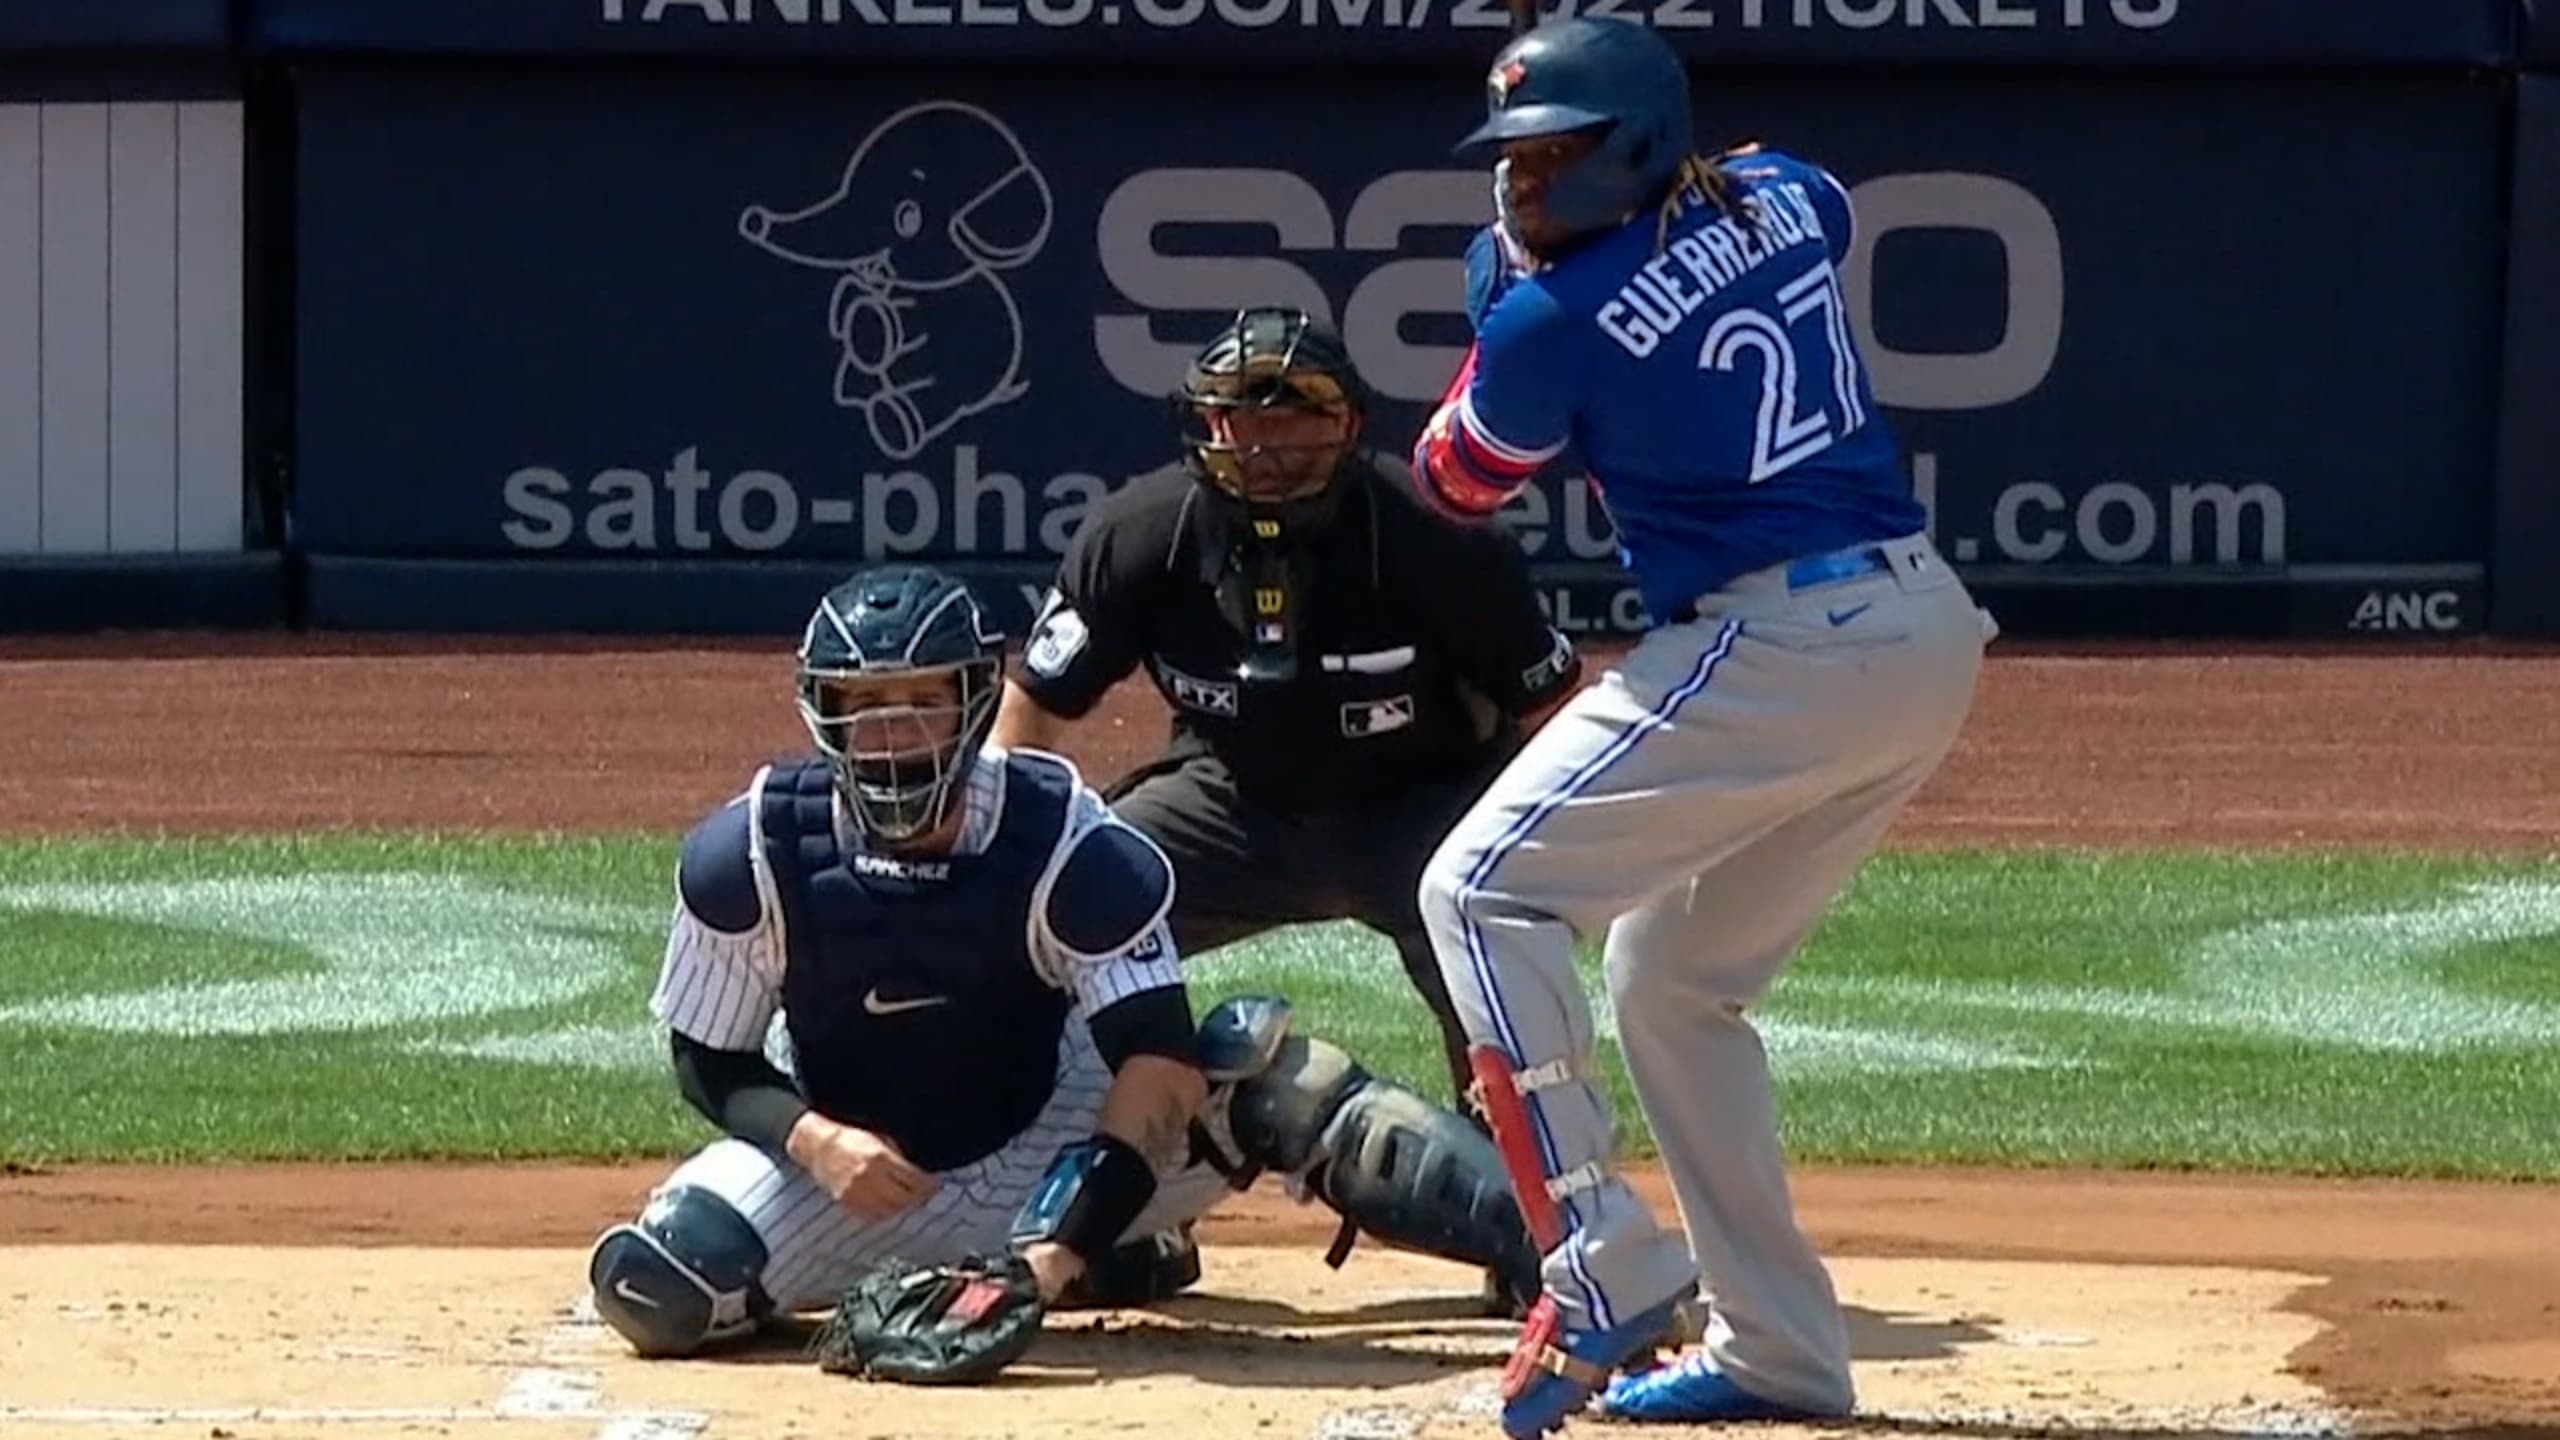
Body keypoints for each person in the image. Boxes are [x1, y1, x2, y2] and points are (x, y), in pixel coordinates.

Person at [1406, 18, 1997, 1437]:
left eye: (1557, 153)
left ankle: (1599, 1258)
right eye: (1516, 157)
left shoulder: (1551, 316)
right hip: (1919, 639)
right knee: (1668, 978)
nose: (1527, 183)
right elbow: (1789, 195)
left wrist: (1502, 312)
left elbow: (1457, 478)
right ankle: (1782, 1348)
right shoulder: (1790, 191)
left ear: (1637, 144)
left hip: (1782, 640)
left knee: (1476, 890)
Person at [586, 563, 1541, 1364]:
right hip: (856, 1172)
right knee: (656, 1285)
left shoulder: (1069, 842)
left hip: (1053, 1128)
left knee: (1282, 1084)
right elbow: (708, 1059)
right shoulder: (749, 850)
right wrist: (819, 1143)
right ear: (820, 715)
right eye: (863, 709)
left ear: (971, 704)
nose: (893, 736)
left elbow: (1155, 1060)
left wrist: (1050, 1255)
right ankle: (1125, 1255)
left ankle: (1560, 1258)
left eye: (920, 704)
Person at [991, 305, 1583, 1128]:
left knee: (1503, 969)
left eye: (1294, 417)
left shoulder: (1443, 538)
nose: (1264, 446)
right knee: (1047, 925)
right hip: (1228, 805)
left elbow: (1556, 715)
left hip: (1431, 809)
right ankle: (1101, 1189)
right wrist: (1002, 867)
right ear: (1205, 424)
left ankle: (1531, 1217)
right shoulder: (1137, 535)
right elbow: (1033, 707)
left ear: (1346, 425)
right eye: (1239, 418)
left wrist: (1543, 866)